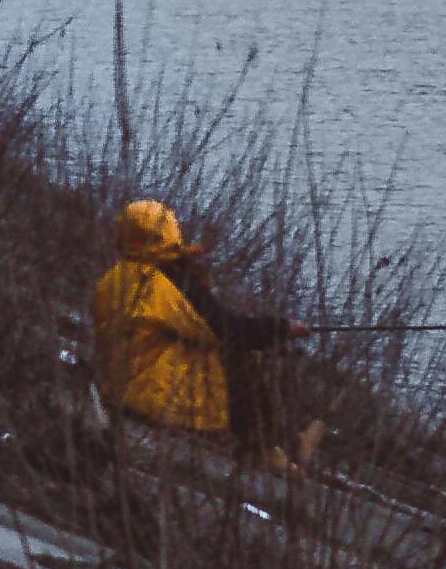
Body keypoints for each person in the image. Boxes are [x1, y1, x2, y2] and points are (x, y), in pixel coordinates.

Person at [90, 199, 323, 471]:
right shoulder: (165, 282)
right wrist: (282, 329)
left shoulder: (115, 277)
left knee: (221, 345)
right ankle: (265, 447)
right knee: (234, 352)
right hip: (148, 395)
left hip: (115, 383)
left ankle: (287, 440)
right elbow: (226, 328)